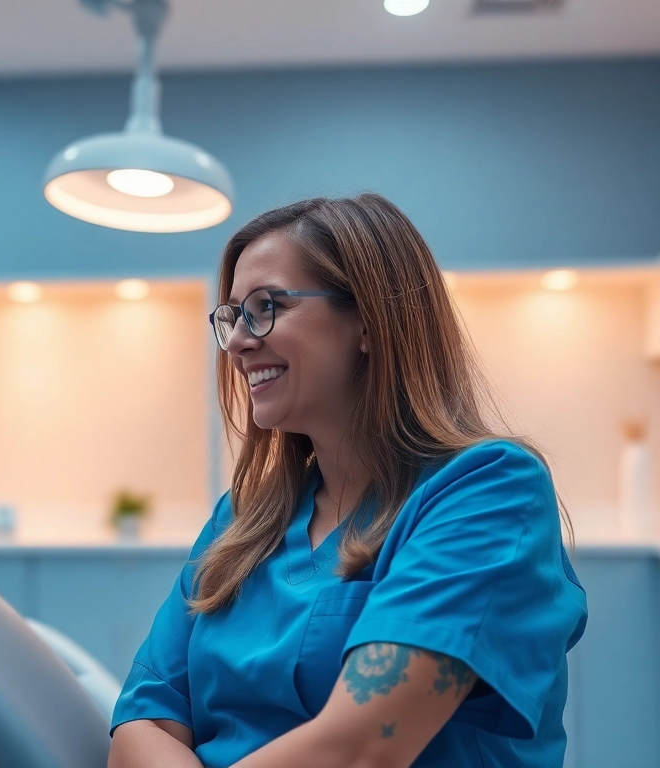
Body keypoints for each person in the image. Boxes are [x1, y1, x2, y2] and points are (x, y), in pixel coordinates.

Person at [107, 194, 587, 768]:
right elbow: (142, 721)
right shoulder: (243, 519)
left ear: (367, 320)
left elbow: (364, 744)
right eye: (230, 317)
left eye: (264, 307)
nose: (236, 341)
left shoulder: (488, 492)